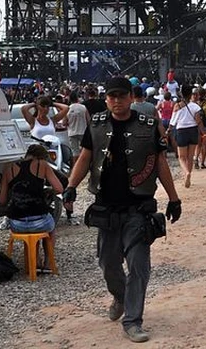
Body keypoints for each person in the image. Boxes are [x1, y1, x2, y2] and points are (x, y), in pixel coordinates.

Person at [64, 76, 180, 344]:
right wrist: (71, 186)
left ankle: (133, 320)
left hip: (138, 208)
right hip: (107, 208)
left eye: (121, 96)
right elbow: (85, 157)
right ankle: (120, 296)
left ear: (130, 97)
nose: (116, 101)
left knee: (139, 265)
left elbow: (160, 162)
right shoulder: (96, 124)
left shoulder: (148, 125)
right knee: (108, 264)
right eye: (112, 96)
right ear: (106, 99)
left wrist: (174, 198)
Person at [0, 144, 63, 263]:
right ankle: (48, 262)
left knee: (31, 229)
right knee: (50, 227)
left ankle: (34, 260)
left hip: (17, 224)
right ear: (40, 157)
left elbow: (2, 201)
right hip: (40, 222)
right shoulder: (42, 165)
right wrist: (48, 191)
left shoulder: (8, 168)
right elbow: (59, 189)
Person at [170, 85, 206, 188]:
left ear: (181, 94)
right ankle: (189, 174)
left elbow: (173, 121)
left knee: (182, 157)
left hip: (181, 131)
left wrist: (169, 130)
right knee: (190, 156)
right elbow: (198, 121)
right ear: (191, 94)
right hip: (193, 131)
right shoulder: (195, 106)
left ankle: (186, 173)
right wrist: (203, 133)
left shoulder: (177, 106)